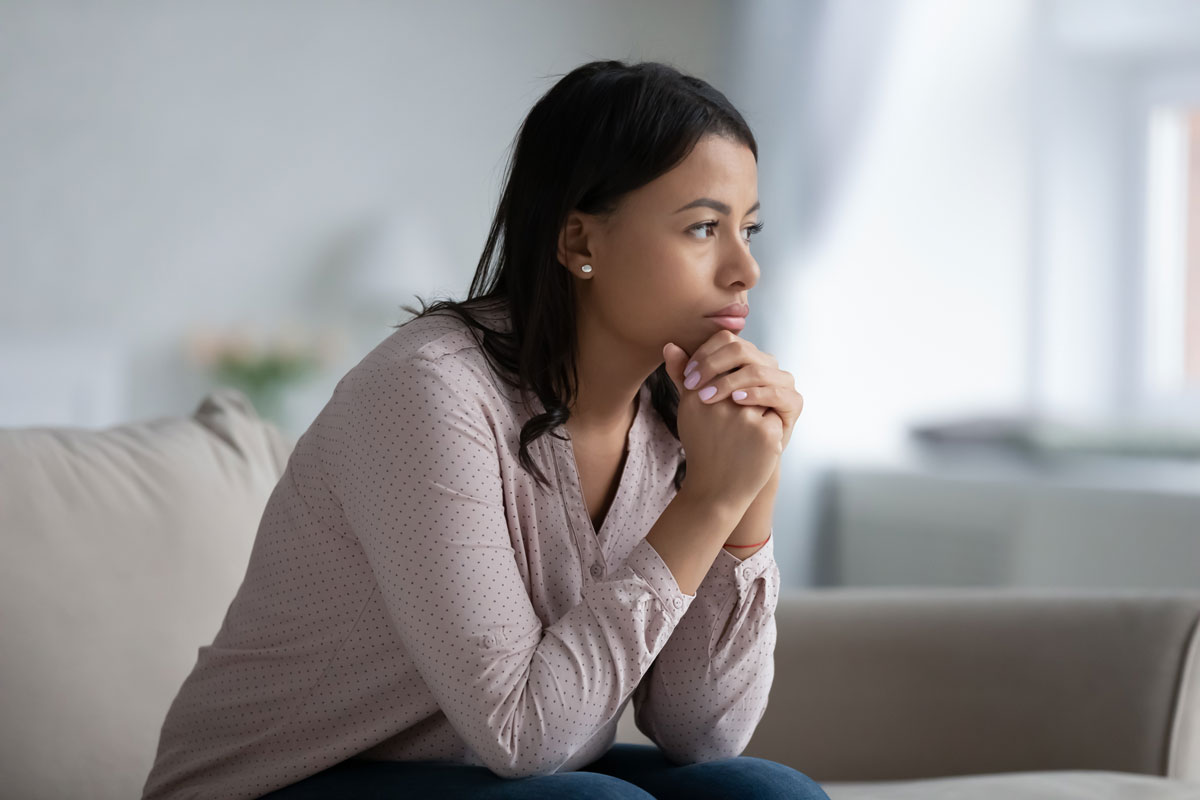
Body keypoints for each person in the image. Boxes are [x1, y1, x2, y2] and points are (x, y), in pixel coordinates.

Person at [141, 58, 821, 800]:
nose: (745, 269)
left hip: (493, 776)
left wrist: (749, 497)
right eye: (702, 227)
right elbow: (525, 735)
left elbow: (704, 735)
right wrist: (708, 505)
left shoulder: (680, 417)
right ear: (579, 243)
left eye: (748, 230)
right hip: (278, 782)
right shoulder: (427, 391)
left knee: (761, 792)